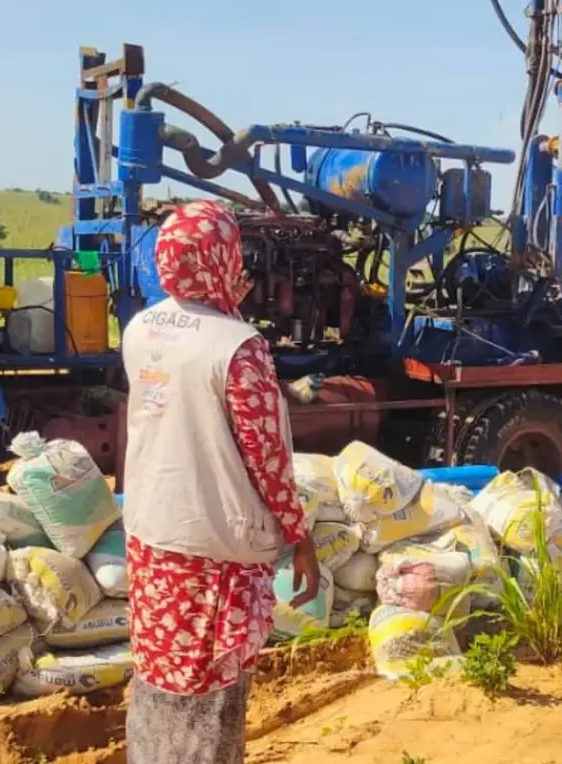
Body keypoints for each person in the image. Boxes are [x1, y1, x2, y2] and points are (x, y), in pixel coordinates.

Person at [120, 200, 321, 764]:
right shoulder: (238, 346)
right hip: (213, 551)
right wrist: (299, 537)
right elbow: (268, 459)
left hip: (151, 538)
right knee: (211, 688)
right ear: (224, 257)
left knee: (160, 673)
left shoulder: (142, 328)